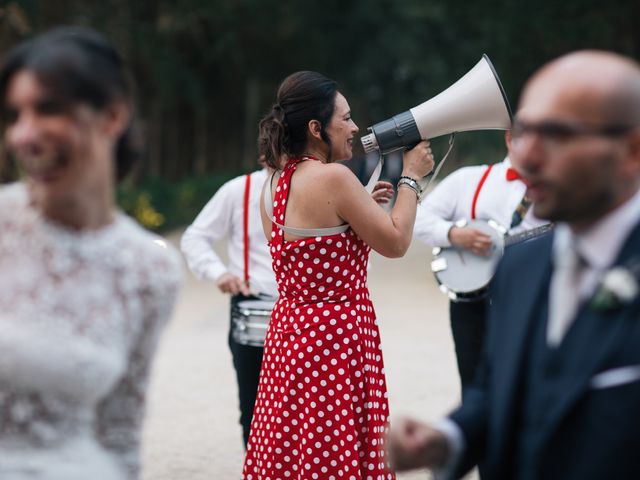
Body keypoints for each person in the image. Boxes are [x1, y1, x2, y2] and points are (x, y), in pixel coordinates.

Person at [387, 50, 640, 480]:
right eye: (524, 133)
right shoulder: (520, 267)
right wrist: (449, 438)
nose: (527, 156)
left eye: (557, 134)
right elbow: (496, 390)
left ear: (632, 149)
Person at [0, 27, 182, 479]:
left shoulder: (151, 269)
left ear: (112, 116)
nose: (23, 134)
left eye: (48, 109)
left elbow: (120, 433)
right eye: (13, 115)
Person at [242, 70, 434, 479]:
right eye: (345, 118)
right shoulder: (334, 178)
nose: (355, 126)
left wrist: (359, 205)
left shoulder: (272, 183)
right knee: (336, 447)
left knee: (297, 445)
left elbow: (311, 244)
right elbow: (396, 243)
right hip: (337, 338)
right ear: (316, 128)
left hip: (291, 336)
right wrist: (411, 178)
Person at [413, 132, 547, 391]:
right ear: (510, 138)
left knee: (528, 384)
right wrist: (453, 234)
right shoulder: (467, 179)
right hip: (472, 304)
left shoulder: (558, 186)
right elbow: (416, 218)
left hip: (531, 298)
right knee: (473, 383)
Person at [181, 157, 278, 447]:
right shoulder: (238, 190)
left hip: (304, 309)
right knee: (253, 406)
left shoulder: (319, 188)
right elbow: (195, 237)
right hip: (253, 307)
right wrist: (219, 273)